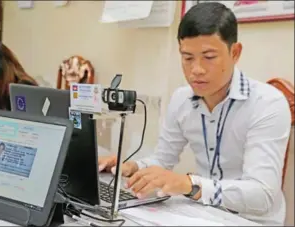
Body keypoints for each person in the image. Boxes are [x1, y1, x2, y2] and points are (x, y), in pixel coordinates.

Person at [98, 2, 291, 226]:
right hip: (200, 214)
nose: (196, 69)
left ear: (235, 52)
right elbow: (162, 160)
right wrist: (132, 167)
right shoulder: (181, 99)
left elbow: (262, 195)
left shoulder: (266, 103)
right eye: (187, 58)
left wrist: (190, 184)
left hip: (252, 220)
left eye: (208, 57)